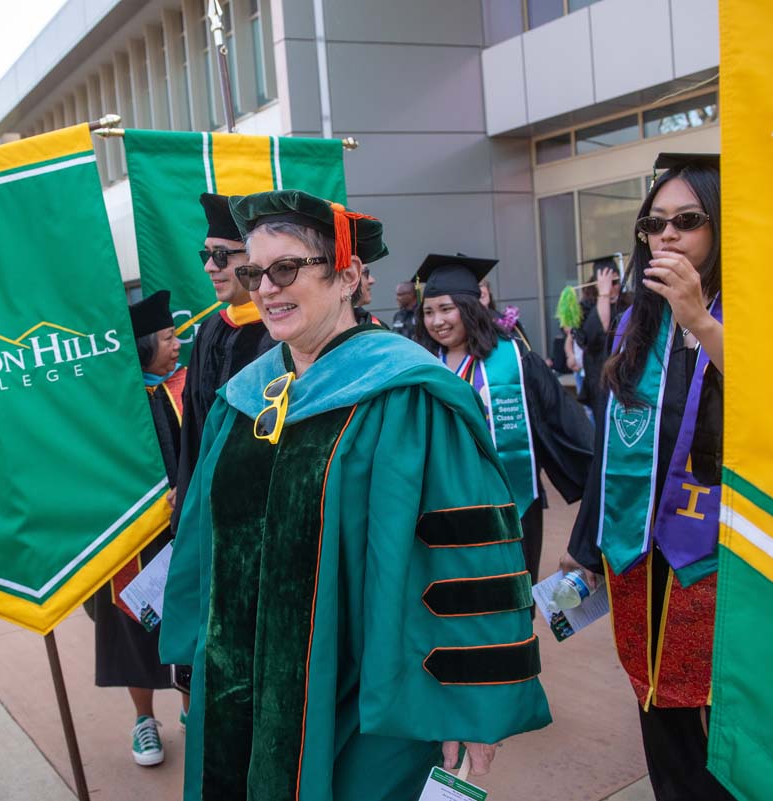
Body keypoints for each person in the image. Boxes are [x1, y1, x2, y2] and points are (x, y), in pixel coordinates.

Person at [161, 189, 550, 801]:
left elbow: (464, 558)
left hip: (369, 692)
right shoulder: (244, 399)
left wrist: (468, 702)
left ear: (347, 277)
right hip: (244, 683)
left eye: (286, 269)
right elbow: (206, 540)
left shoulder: (408, 395)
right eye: (254, 273)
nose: (266, 289)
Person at [562, 152, 728, 801]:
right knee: (659, 711)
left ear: (720, 225)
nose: (667, 235)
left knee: (725, 721)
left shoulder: (753, 309)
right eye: (654, 223)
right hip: (642, 554)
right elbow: (612, 445)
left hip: (721, 555)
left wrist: (702, 322)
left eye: (687, 220)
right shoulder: (638, 322)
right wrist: (585, 549)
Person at [414, 254, 592, 585]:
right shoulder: (420, 366)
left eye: (446, 309)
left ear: (469, 307)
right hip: (443, 505)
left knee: (510, 594)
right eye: (428, 312)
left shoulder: (515, 360)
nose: (437, 321)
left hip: (511, 505)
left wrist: (596, 484)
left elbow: (563, 423)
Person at [93, 290, 186, 767]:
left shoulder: (187, 387)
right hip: (133, 543)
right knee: (135, 626)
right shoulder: (114, 403)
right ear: (145, 346)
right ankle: (144, 720)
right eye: (168, 338)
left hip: (185, 532)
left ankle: (194, 711)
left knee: (191, 621)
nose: (177, 344)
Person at [171, 193, 274, 547]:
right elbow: (194, 431)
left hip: (265, 520)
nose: (209, 268)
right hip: (212, 517)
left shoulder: (283, 334)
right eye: (207, 255)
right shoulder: (210, 331)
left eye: (220, 255)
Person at [574, 255, 630, 412]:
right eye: (607, 283)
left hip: (626, 379)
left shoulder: (628, 302)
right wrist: (604, 294)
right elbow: (598, 333)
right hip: (599, 381)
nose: (612, 287)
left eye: (615, 282)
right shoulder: (586, 307)